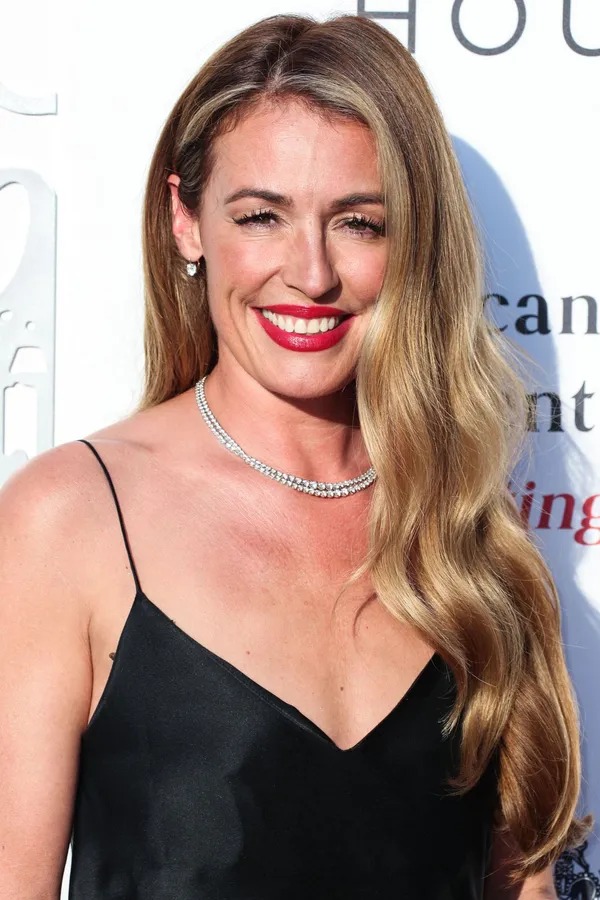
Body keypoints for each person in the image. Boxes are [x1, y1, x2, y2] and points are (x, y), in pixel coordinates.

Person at [0, 12, 593, 900]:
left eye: (359, 223)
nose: (310, 274)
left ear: (412, 240)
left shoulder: (473, 538)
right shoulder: (69, 520)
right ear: (185, 220)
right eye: (260, 216)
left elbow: (524, 887)